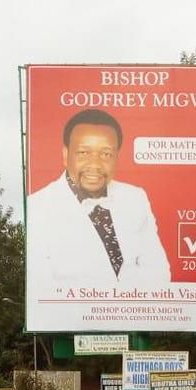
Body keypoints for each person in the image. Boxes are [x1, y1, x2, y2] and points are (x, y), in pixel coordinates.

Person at [26, 108, 172, 288]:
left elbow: (158, 272)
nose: (95, 165)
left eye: (106, 154)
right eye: (83, 153)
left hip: (135, 313)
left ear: (117, 157)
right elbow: (41, 289)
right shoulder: (36, 208)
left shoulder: (136, 198)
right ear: (65, 155)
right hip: (73, 315)